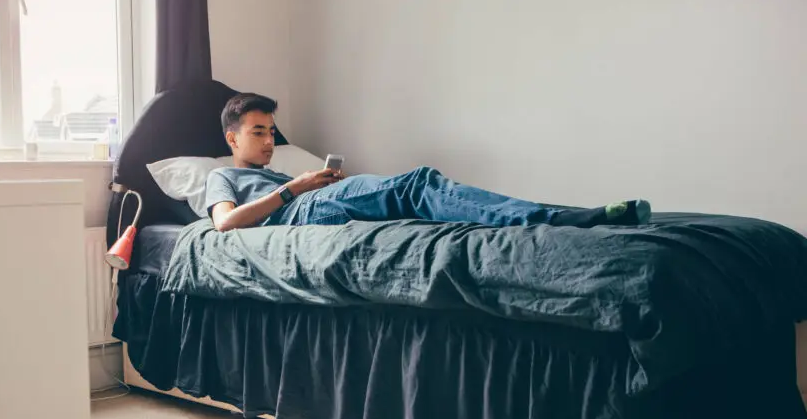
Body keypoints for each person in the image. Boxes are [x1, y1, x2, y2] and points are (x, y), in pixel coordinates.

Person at [205, 93, 651, 233]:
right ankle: (558, 218)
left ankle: (547, 216)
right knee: (418, 184)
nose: (268, 140)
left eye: (271, 131)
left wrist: (310, 183)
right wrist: (295, 188)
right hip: (299, 211)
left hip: (314, 203)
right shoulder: (221, 175)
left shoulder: (273, 172)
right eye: (257, 132)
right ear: (232, 137)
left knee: (423, 196)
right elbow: (224, 225)